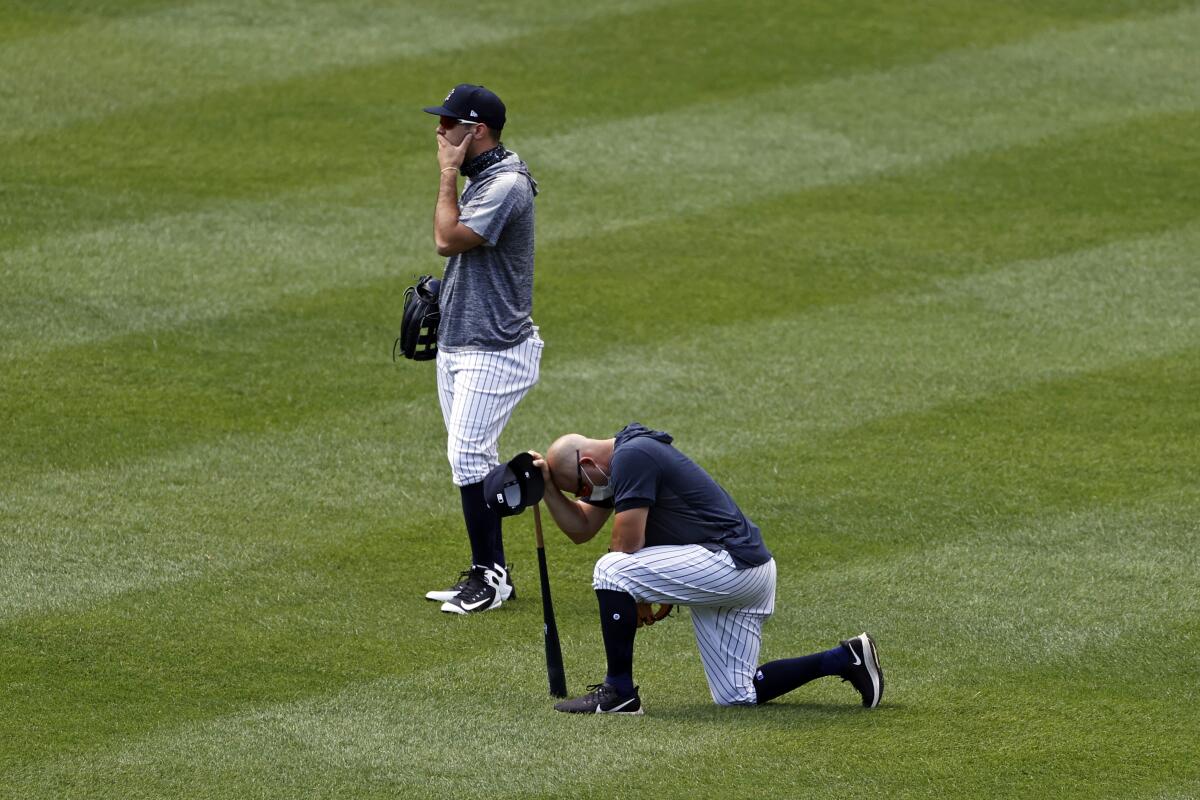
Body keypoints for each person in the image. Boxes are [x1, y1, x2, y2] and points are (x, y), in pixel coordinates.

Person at [530, 423, 884, 714]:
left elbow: (626, 546)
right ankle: (846, 657)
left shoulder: (632, 457)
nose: (586, 494)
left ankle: (618, 691)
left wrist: (638, 593)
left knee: (610, 568)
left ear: (589, 464)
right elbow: (581, 529)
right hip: (745, 572)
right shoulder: (621, 462)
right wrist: (548, 489)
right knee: (735, 694)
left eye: (580, 487)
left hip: (730, 562)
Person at [419, 83, 543, 615]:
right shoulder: (486, 177)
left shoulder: (508, 184)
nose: (440, 131)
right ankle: (490, 572)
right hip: (460, 342)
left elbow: (448, 239)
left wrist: (447, 171)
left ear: (478, 131)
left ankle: (489, 579)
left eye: (450, 124)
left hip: (495, 348)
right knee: (471, 460)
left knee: (467, 454)